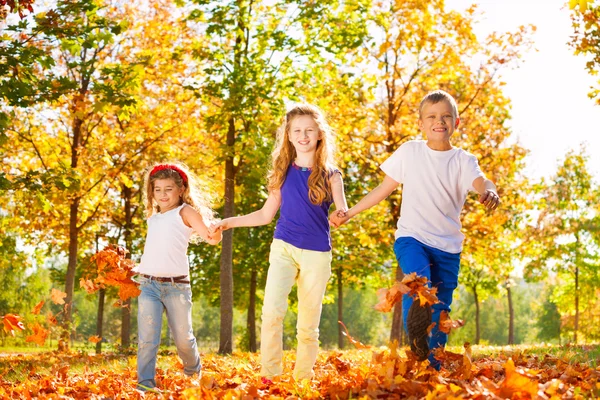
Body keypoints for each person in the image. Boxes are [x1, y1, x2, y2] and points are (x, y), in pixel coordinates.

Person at [330, 90, 500, 369]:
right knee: (418, 283)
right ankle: (416, 331)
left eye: (446, 116)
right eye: (432, 116)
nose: (439, 121)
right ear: (421, 123)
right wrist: (350, 212)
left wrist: (490, 192)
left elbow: (482, 182)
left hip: (448, 247)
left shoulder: (463, 160)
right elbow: (383, 189)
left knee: (440, 308)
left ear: (456, 123)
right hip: (412, 238)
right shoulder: (410, 151)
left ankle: (433, 366)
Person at [211, 104, 347, 381]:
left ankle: (302, 381)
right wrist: (228, 222)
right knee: (272, 312)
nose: (303, 135)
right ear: (288, 134)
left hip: (317, 254)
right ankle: (269, 378)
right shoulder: (282, 171)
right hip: (283, 246)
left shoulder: (333, 175)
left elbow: (342, 211)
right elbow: (264, 215)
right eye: (297, 130)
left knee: (308, 325)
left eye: (309, 130)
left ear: (320, 134)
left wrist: (339, 215)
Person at [136, 162, 222, 392]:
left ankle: (194, 374)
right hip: (148, 285)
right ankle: (144, 386)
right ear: (152, 192)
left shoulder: (185, 212)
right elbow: (153, 250)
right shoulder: (153, 218)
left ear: (181, 189)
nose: (163, 195)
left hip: (177, 287)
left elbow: (209, 237)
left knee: (183, 339)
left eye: (168, 189)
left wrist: (215, 234)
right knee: (147, 339)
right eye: (158, 190)